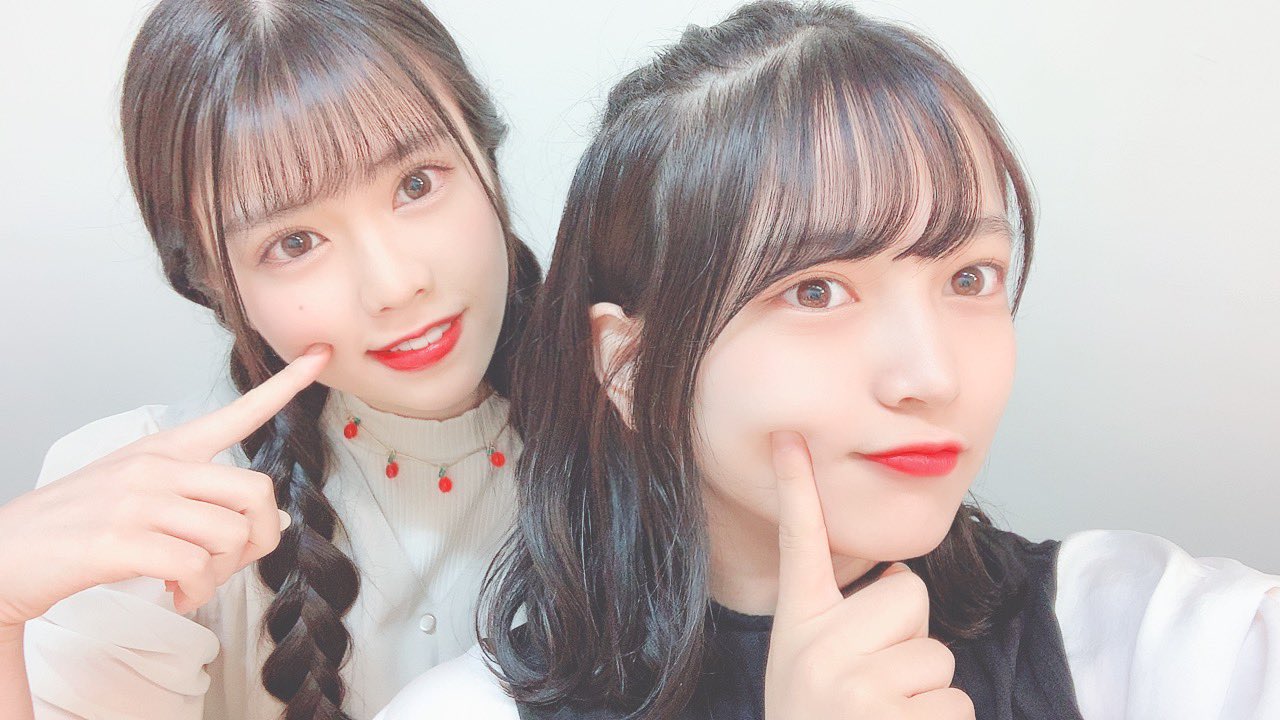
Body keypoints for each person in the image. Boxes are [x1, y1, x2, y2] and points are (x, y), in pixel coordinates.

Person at [377, 2, 1280, 718]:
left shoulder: (1135, 635)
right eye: (816, 292)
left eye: (969, 277)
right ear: (631, 369)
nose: (932, 378)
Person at [0, 0, 540, 718]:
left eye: (416, 183)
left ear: (486, 157)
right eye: (294, 243)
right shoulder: (154, 518)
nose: (393, 285)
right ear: (211, 281)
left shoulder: (648, 424)